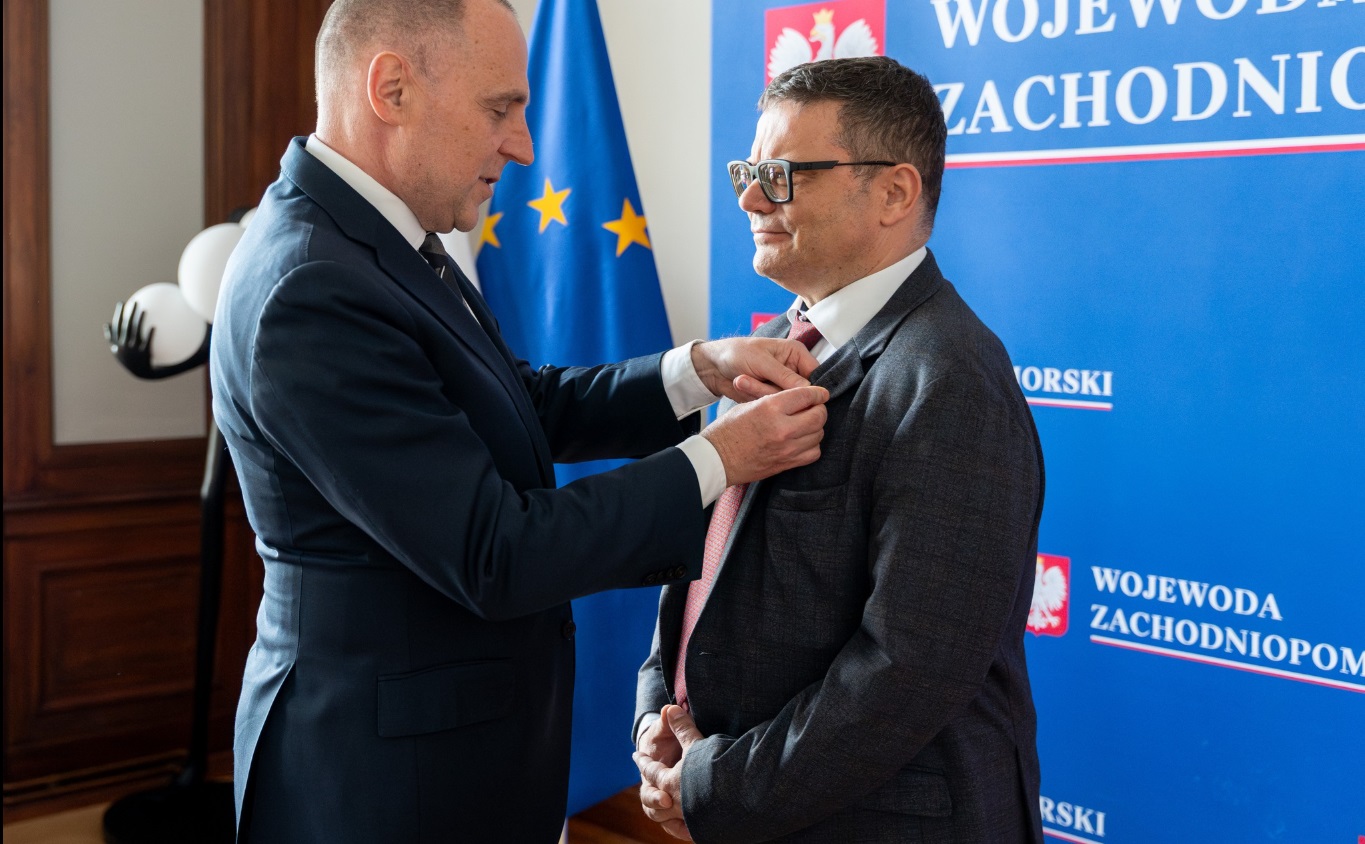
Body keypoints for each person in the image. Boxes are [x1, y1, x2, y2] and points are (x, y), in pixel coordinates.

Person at [209, 0, 831, 841]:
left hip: (444, 752)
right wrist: (719, 458)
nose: (524, 146)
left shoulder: (377, 241)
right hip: (385, 781)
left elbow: (513, 403)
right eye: (499, 108)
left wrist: (694, 372)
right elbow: (494, 552)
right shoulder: (312, 286)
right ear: (391, 89)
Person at [633, 56, 1046, 843]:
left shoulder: (948, 376)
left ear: (893, 192)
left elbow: (911, 666)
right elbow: (703, 578)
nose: (751, 199)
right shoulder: (770, 348)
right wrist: (660, 712)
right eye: (748, 172)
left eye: (783, 176)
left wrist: (718, 784)